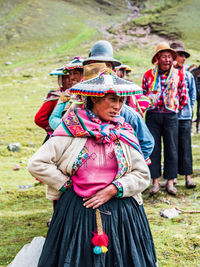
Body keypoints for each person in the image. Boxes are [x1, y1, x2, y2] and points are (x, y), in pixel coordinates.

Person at [28, 71, 157, 267]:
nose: (118, 106)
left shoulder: (123, 133)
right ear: (94, 99)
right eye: (112, 99)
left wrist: (114, 189)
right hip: (78, 212)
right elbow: (37, 163)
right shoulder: (71, 130)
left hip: (122, 215)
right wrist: (66, 184)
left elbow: (141, 174)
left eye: (121, 101)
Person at [142, 42, 188, 195]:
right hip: (153, 115)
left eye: (170, 57)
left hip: (170, 116)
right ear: (157, 58)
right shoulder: (148, 75)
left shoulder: (178, 74)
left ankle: (170, 182)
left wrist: (174, 108)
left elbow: (183, 96)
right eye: (164, 56)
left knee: (172, 148)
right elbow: (143, 95)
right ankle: (155, 181)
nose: (167, 60)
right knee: (153, 148)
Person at [169, 41, 196, 188]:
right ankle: (171, 179)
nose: (183, 58)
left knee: (185, 146)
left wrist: (188, 110)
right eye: (180, 55)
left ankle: (188, 177)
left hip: (184, 117)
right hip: (170, 116)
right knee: (171, 147)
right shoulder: (165, 75)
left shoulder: (187, 75)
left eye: (184, 55)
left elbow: (192, 95)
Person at [34, 65, 71, 142]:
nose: (71, 79)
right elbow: (39, 118)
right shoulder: (55, 97)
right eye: (67, 77)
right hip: (56, 136)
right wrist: (53, 127)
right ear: (61, 80)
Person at [49, 57, 84, 130]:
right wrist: (66, 126)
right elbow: (53, 118)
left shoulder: (93, 93)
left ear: (84, 74)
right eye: (70, 74)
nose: (71, 77)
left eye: (75, 73)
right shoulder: (67, 94)